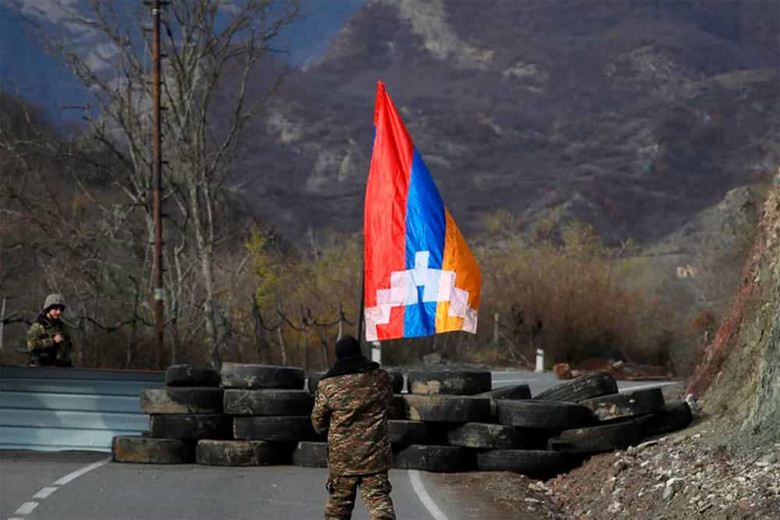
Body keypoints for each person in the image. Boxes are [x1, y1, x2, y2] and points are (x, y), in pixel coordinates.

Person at [311, 335, 395, 520]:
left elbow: (318, 421)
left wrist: (330, 433)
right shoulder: (380, 378)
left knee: (338, 509)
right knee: (379, 503)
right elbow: (390, 404)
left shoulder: (327, 385)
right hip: (375, 454)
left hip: (343, 458)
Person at [27, 293, 74, 367]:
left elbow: (68, 346)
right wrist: (52, 341)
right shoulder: (38, 326)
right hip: (43, 368)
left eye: (61, 309)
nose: (58, 312)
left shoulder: (62, 327)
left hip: (61, 367)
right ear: (48, 309)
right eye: (55, 309)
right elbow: (32, 346)